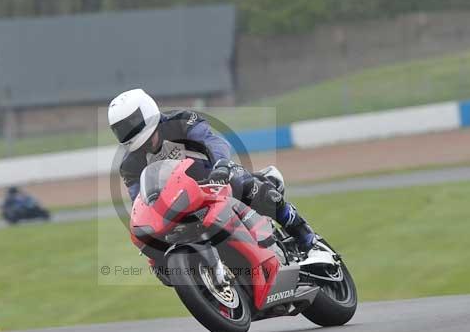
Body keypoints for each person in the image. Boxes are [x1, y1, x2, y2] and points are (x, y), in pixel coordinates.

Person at [108, 88, 319, 260]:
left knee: (246, 184)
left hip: (215, 180)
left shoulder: (181, 121)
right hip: (180, 205)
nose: (129, 131)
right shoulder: (129, 165)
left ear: (147, 112)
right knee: (158, 256)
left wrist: (221, 165)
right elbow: (140, 200)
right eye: (122, 128)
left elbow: (212, 141)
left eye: (132, 122)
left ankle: (305, 236)